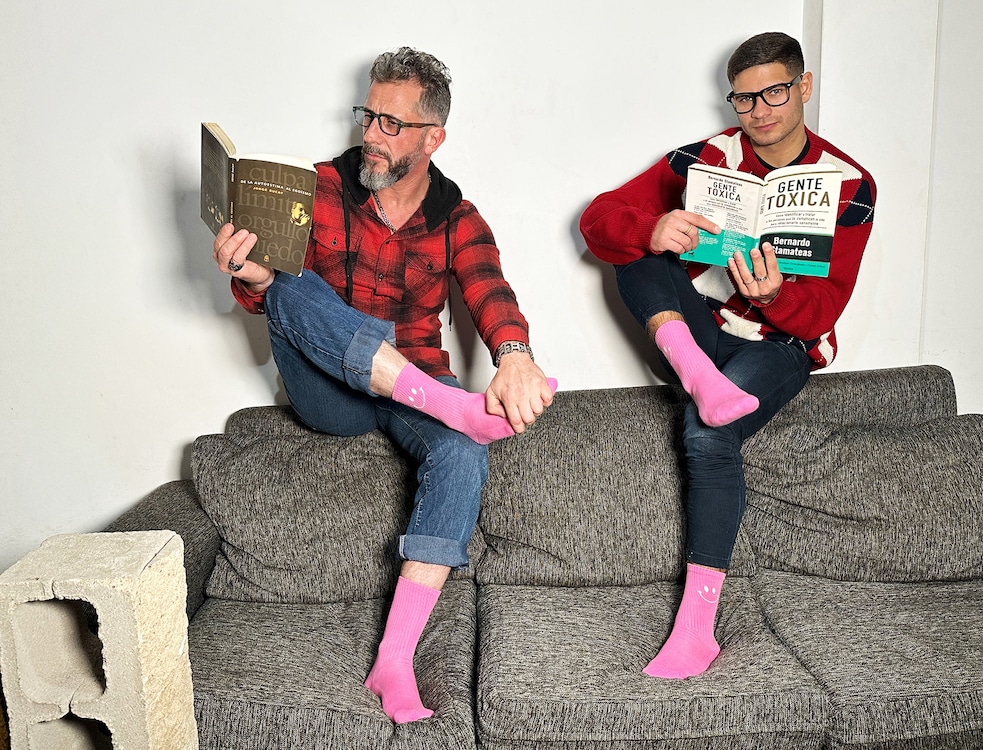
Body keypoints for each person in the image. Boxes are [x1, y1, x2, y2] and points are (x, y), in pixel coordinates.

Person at [212, 47, 556, 722]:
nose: (370, 132)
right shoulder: (314, 189)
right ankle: (448, 404)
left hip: (413, 380)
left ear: (434, 137)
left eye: (391, 123)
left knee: (462, 450)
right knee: (286, 278)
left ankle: (393, 660)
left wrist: (514, 355)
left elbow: (492, 292)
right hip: (330, 396)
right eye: (368, 115)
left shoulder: (458, 218)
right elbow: (273, 299)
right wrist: (251, 276)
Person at [579, 31, 876, 679]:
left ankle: (696, 630)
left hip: (779, 344)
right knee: (636, 252)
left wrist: (773, 296)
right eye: (743, 99)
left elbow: (824, 312)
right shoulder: (706, 157)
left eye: (773, 92)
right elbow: (598, 220)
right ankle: (696, 374)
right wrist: (651, 227)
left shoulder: (851, 184)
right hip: (700, 331)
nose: (759, 111)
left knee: (710, 436)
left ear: (803, 87)